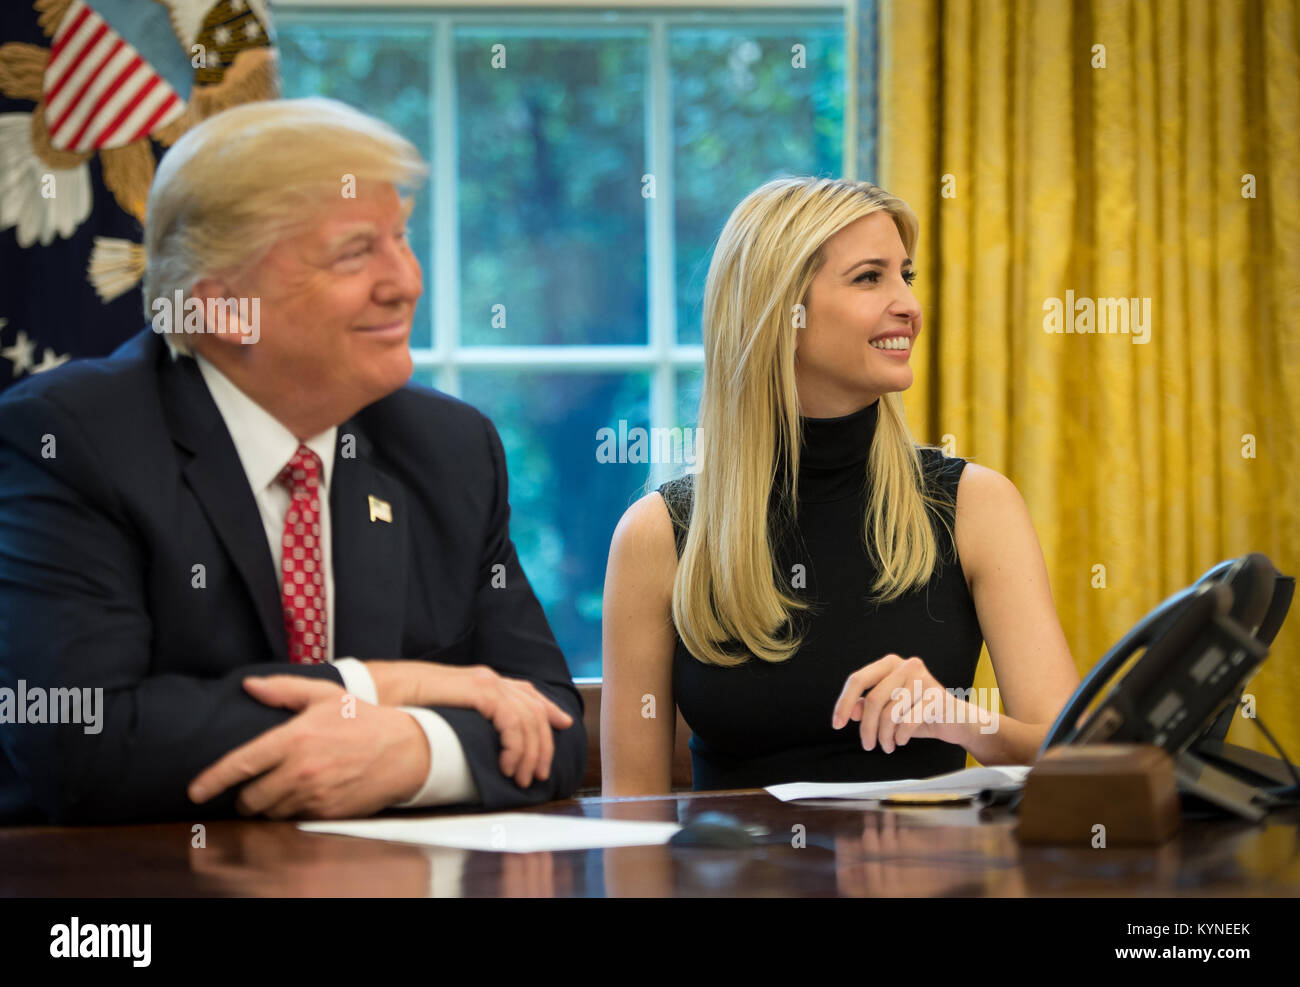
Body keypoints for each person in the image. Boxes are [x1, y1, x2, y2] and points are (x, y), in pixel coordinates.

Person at [0, 98, 585, 823]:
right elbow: (80, 736)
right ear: (219, 307)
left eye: (401, 238)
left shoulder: (451, 449)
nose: (406, 281)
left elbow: (552, 724)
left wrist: (416, 750)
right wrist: (378, 689)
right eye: (354, 252)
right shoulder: (72, 438)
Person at [601, 177, 1080, 794]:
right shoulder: (658, 534)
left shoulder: (974, 504)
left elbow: (1076, 762)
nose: (908, 304)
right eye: (869, 278)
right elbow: (630, 816)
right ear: (781, 312)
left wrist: (962, 720)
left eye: (906, 275)